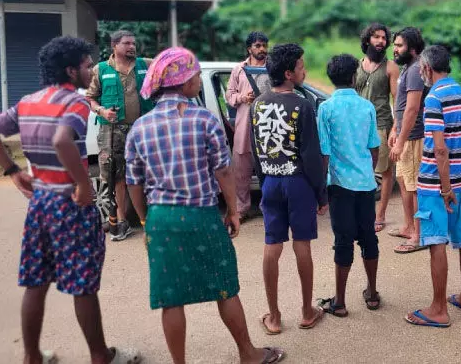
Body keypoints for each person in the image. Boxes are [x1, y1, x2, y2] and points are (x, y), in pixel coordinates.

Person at [0, 36, 142, 364]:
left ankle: (32, 356)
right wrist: (83, 185)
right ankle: (100, 355)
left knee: (36, 282)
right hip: (71, 204)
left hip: (40, 204)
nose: (91, 71)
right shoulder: (75, 102)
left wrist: (13, 170)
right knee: (83, 285)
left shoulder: (28, 101)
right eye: (86, 66)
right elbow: (62, 140)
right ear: (70, 70)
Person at [124, 47, 284, 364]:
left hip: (162, 220)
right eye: (196, 75)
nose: (198, 79)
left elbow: (133, 183)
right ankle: (248, 355)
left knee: (171, 299)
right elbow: (223, 171)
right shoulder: (204, 120)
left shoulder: (139, 127)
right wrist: (234, 211)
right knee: (224, 286)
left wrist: (145, 220)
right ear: (185, 82)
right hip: (202, 216)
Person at [251, 43, 327, 335]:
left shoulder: (258, 104)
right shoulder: (302, 105)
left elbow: (257, 150)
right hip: (298, 183)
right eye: (301, 66)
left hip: (270, 182)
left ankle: (274, 316)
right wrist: (320, 194)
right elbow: (311, 156)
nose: (304, 70)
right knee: (302, 244)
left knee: (272, 245)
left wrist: (265, 182)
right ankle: (307, 312)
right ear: (288, 73)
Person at [404, 45, 461, 328]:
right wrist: (452, 186)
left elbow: (440, 149)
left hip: (437, 185)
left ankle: (438, 309)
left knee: (436, 241)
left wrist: (445, 189)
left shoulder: (434, 98)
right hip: (459, 181)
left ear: (426, 68)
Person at [316, 54, 383, 317]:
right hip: (365, 184)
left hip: (339, 185)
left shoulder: (326, 108)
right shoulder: (367, 107)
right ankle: (372, 293)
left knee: (343, 241)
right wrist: (367, 170)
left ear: (332, 79)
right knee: (368, 237)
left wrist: (321, 189)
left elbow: (324, 152)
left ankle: (340, 302)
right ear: (355, 77)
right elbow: (374, 147)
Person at [87, 29, 154, 241]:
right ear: (114, 46)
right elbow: (90, 98)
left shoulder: (145, 64)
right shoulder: (101, 69)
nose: (132, 46)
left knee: (148, 171)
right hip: (112, 130)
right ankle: (121, 221)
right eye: (127, 43)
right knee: (116, 175)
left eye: (133, 43)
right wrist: (102, 111)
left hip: (143, 129)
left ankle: (151, 218)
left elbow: (167, 67)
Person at [354, 23, 400, 233]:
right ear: (367, 40)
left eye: (384, 38)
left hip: (381, 124)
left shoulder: (391, 67)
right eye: (376, 37)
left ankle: (380, 215)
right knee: (360, 169)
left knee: (385, 171)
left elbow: (397, 100)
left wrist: (396, 128)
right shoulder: (357, 65)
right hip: (357, 126)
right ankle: (361, 213)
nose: (381, 41)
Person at [388, 27, 428, 254]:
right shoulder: (407, 67)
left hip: (413, 137)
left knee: (414, 188)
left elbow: (412, 109)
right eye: (395, 45)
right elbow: (401, 106)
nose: (395, 49)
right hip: (404, 134)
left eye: (399, 45)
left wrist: (401, 141)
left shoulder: (415, 70)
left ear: (412, 48)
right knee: (403, 182)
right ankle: (408, 226)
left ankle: (418, 236)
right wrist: (395, 128)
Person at [226, 31, 270, 219]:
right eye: (258, 46)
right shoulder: (239, 69)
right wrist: (243, 98)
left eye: (264, 45)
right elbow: (229, 95)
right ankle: (241, 209)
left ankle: (268, 208)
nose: (262, 49)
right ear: (249, 48)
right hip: (244, 126)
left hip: (267, 126)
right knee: (241, 172)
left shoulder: (272, 68)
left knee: (268, 169)